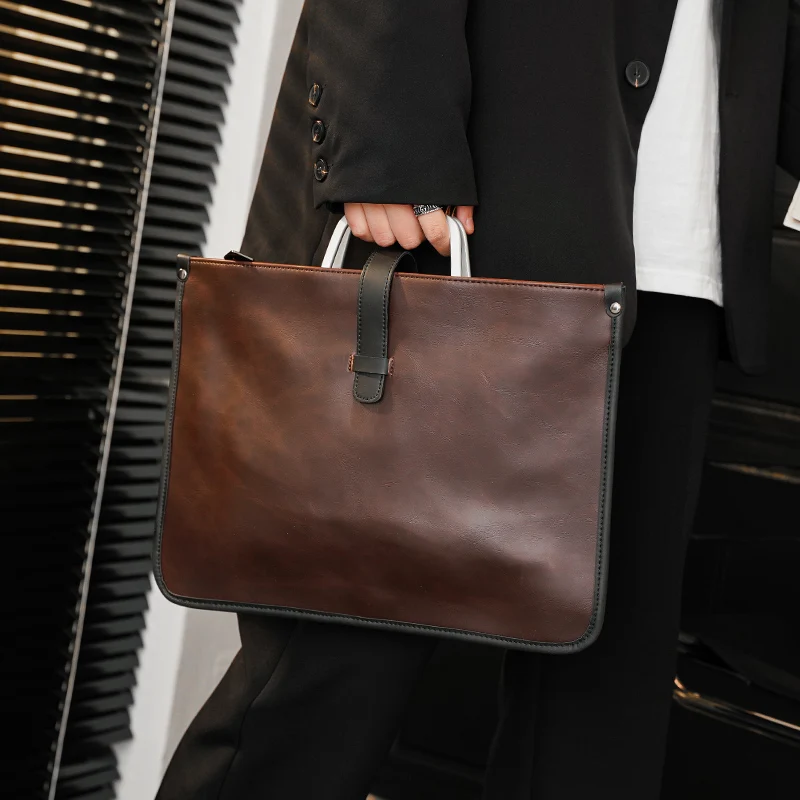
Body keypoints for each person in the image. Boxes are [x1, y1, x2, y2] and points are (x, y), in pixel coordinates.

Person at [157, 1, 800, 798]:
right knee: (325, 680)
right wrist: (385, 131)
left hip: (681, 256)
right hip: (463, 201)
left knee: (595, 725)